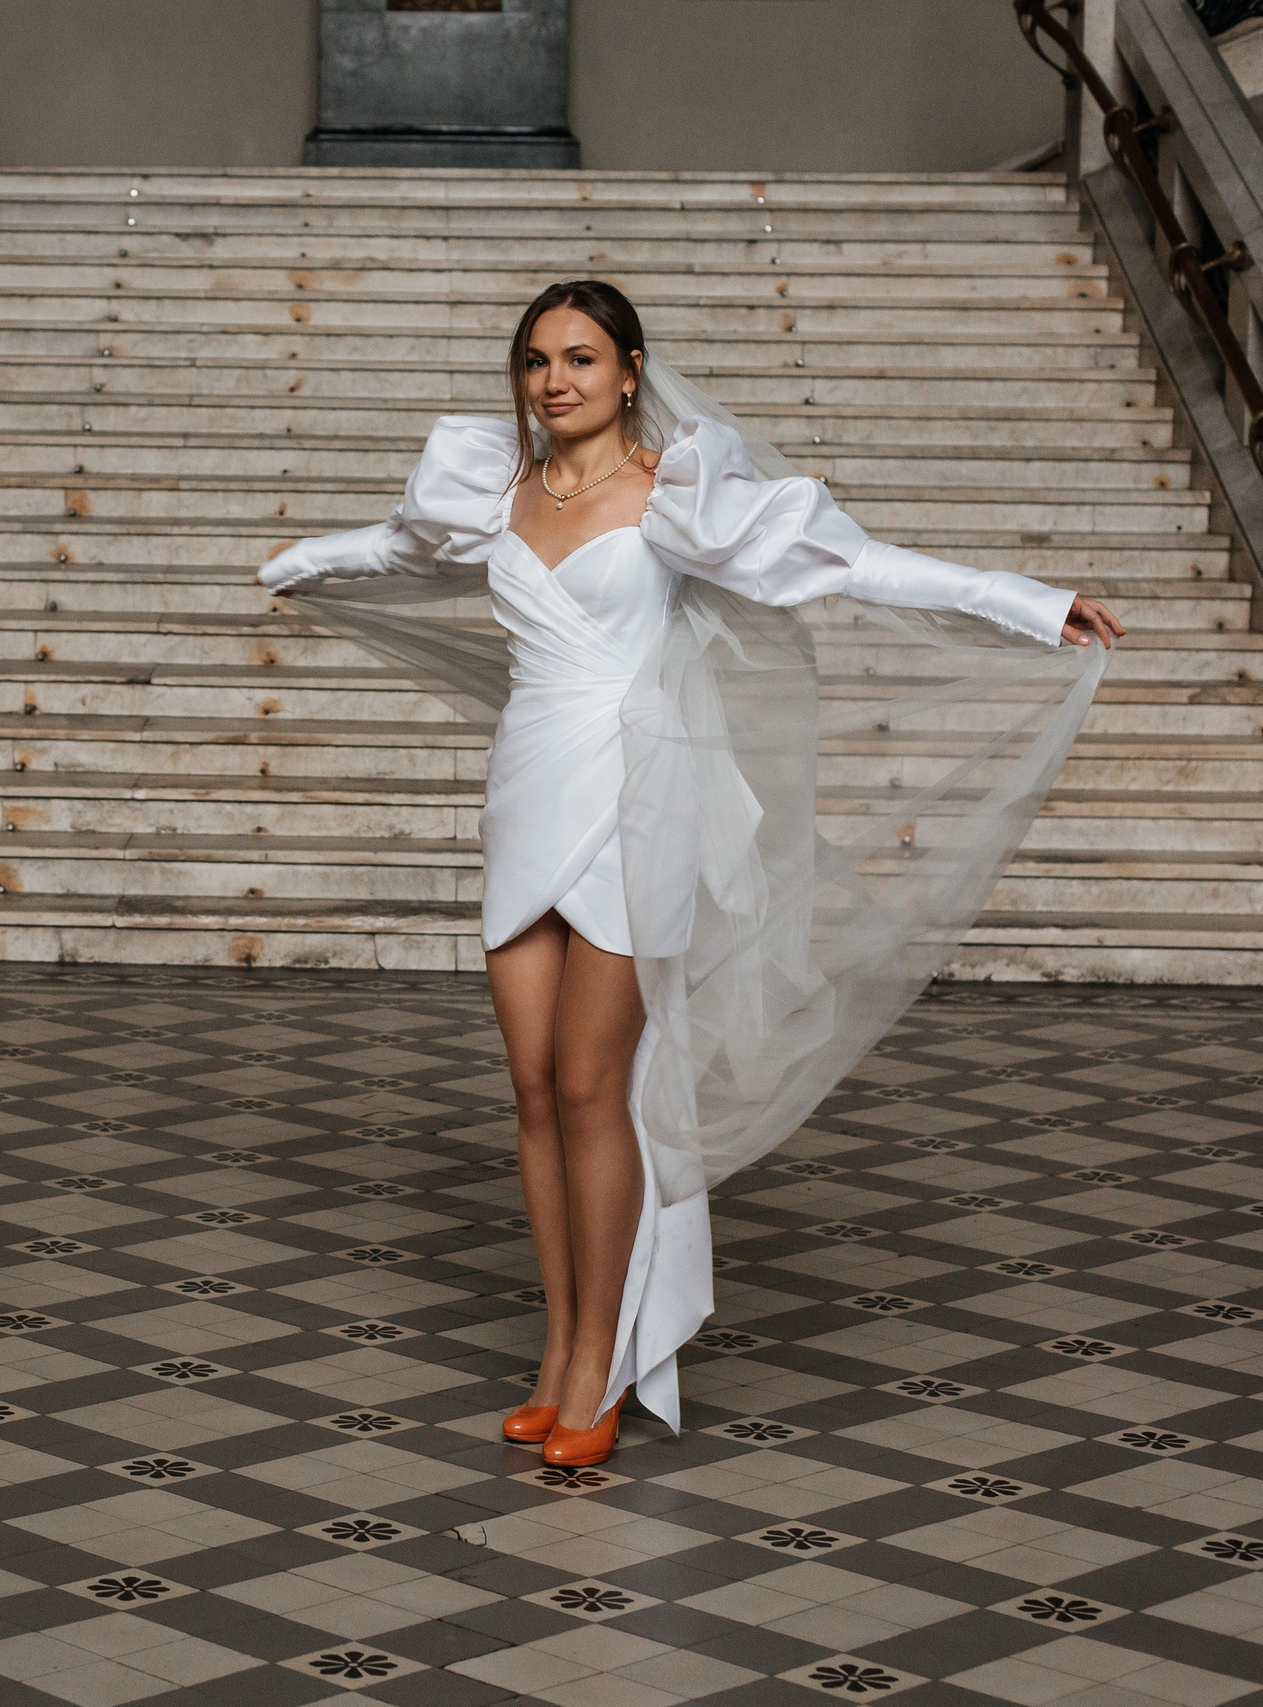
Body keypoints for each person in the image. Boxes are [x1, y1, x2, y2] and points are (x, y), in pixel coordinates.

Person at [259, 280, 1124, 1466]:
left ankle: (601, 1372)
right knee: (527, 1087)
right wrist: (295, 562)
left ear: (629, 372)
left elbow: (853, 564)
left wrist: (1025, 603)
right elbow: (392, 547)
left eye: (579, 358)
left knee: (588, 1084)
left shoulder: (676, 494)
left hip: (635, 799)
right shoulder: (491, 492)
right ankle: (559, 1354)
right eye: (534, 361)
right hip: (526, 789)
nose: (553, 380)